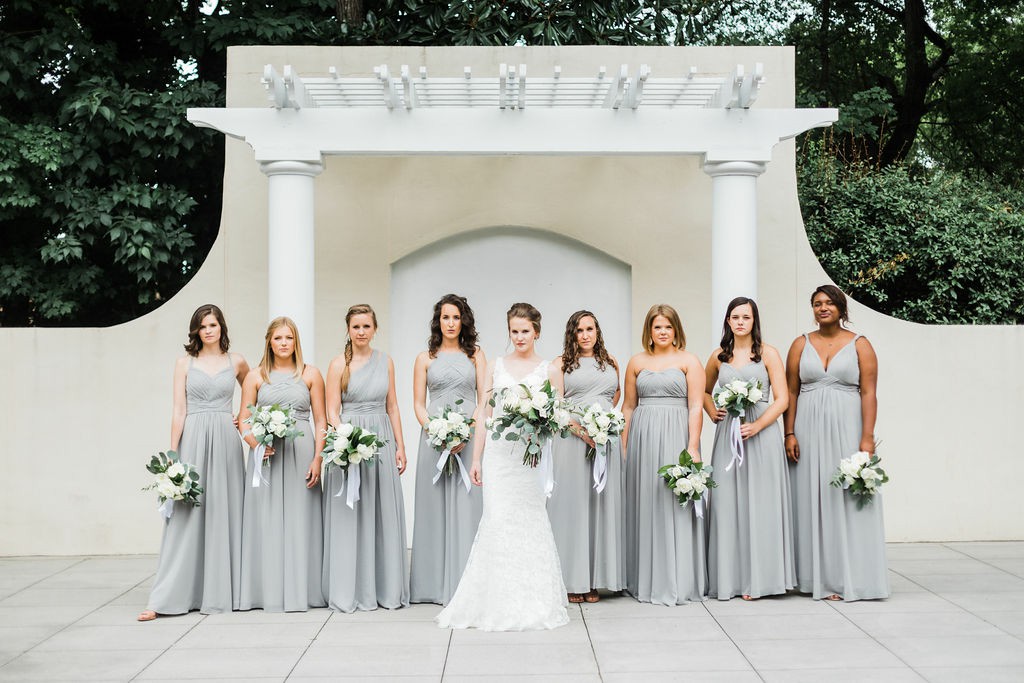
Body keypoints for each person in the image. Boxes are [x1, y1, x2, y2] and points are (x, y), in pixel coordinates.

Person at [437, 302, 569, 631]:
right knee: (496, 520)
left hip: (529, 459)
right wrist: (477, 459)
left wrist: (539, 431)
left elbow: (557, 418)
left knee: (530, 521)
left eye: (525, 331)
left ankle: (533, 600)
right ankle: (496, 599)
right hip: (499, 456)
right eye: (514, 331)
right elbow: (485, 413)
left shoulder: (550, 371)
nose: (519, 337)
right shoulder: (496, 366)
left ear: (536, 332)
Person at [139, 304, 250, 620]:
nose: (208, 331)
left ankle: (224, 592)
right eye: (203, 326)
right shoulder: (184, 363)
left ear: (221, 327)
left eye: (213, 324)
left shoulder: (237, 361)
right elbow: (178, 410)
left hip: (226, 441)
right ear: (196, 331)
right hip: (194, 438)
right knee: (187, 515)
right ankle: (166, 597)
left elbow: (255, 392)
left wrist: (242, 416)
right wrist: (173, 455)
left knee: (226, 510)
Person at [784, 285, 889, 601]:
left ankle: (849, 577)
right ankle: (811, 577)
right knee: (809, 498)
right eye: (817, 303)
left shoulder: (860, 344)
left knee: (846, 497)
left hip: (846, 428)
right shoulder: (800, 344)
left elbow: (868, 392)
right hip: (807, 430)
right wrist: (789, 433)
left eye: (829, 303)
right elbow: (791, 392)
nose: (823, 308)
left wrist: (867, 438)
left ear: (842, 308)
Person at [704, 297, 796, 601]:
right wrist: (712, 411)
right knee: (727, 503)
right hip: (729, 434)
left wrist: (757, 426)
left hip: (761, 433)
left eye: (746, 317)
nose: (740, 322)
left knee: (761, 503)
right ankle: (730, 580)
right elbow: (704, 391)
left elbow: (782, 399)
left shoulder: (768, 354)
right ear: (728, 321)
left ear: (754, 320)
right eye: (735, 317)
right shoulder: (718, 356)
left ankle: (762, 580)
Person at [323, 304, 409, 611]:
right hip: (350, 440)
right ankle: (350, 588)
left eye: (366, 326)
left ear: (375, 329)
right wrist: (346, 439)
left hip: (381, 439)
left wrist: (400, 445)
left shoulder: (386, 362)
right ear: (348, 329)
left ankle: (386, 588)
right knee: (351, 512)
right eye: (356, 326)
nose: (361, 332)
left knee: (381, 510)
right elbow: (332, 410)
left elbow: (393, 406)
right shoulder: (338, 364)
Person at [237, 317, 327, 612]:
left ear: (296, 341)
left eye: (289, 338)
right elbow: (244, 420)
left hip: (302, 451)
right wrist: (255, 444)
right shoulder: (255, 376)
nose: (284, 343)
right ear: (269, 342)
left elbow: (321, 420)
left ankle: (305, 590)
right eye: (278, 338)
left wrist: (318, 458)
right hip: (266, 455)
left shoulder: (311, 374)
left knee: (303, 519)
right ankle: (266, 591)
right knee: (266, 518)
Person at [621, 304, 707, 604]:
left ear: (676, 330)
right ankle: (643, 579)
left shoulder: (689, 361)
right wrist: (624, 446)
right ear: (649, 330)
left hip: (675, 435)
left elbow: (696, 406)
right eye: (657, 326)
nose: (662, 332)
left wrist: (692, 445)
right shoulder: (636, 361)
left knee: (672, 502)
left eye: (668, 326)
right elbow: (628, 407)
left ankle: (677, 579)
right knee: (645, 501)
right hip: (642, 438)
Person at [410, 295, 487, 605]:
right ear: (438, 321)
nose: (451, 323)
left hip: (469, 437)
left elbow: (483, 400)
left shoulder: (476, 355)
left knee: (468, 505)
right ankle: (431, 585)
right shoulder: (424, 358)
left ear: (463, 321)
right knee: (433, 506)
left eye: (456, 317)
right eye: (445, 317)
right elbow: (418, 404)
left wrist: (467, 429)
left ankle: (468, 583)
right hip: (434, 438)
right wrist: (435, 430)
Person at [548, 310, 623, 604]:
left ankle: (594, 580)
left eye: (590, 329)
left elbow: (614, 396)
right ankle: (571, 579)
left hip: (604, 440)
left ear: (597, 331)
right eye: (579, 330)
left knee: (600, 506)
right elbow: (556, 406)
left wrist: (603, 424)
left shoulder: (611, 361)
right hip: (571, 440)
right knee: (573, 506)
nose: (585, 335)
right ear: (572, 334)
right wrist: (582, 430)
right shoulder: (560, 364)